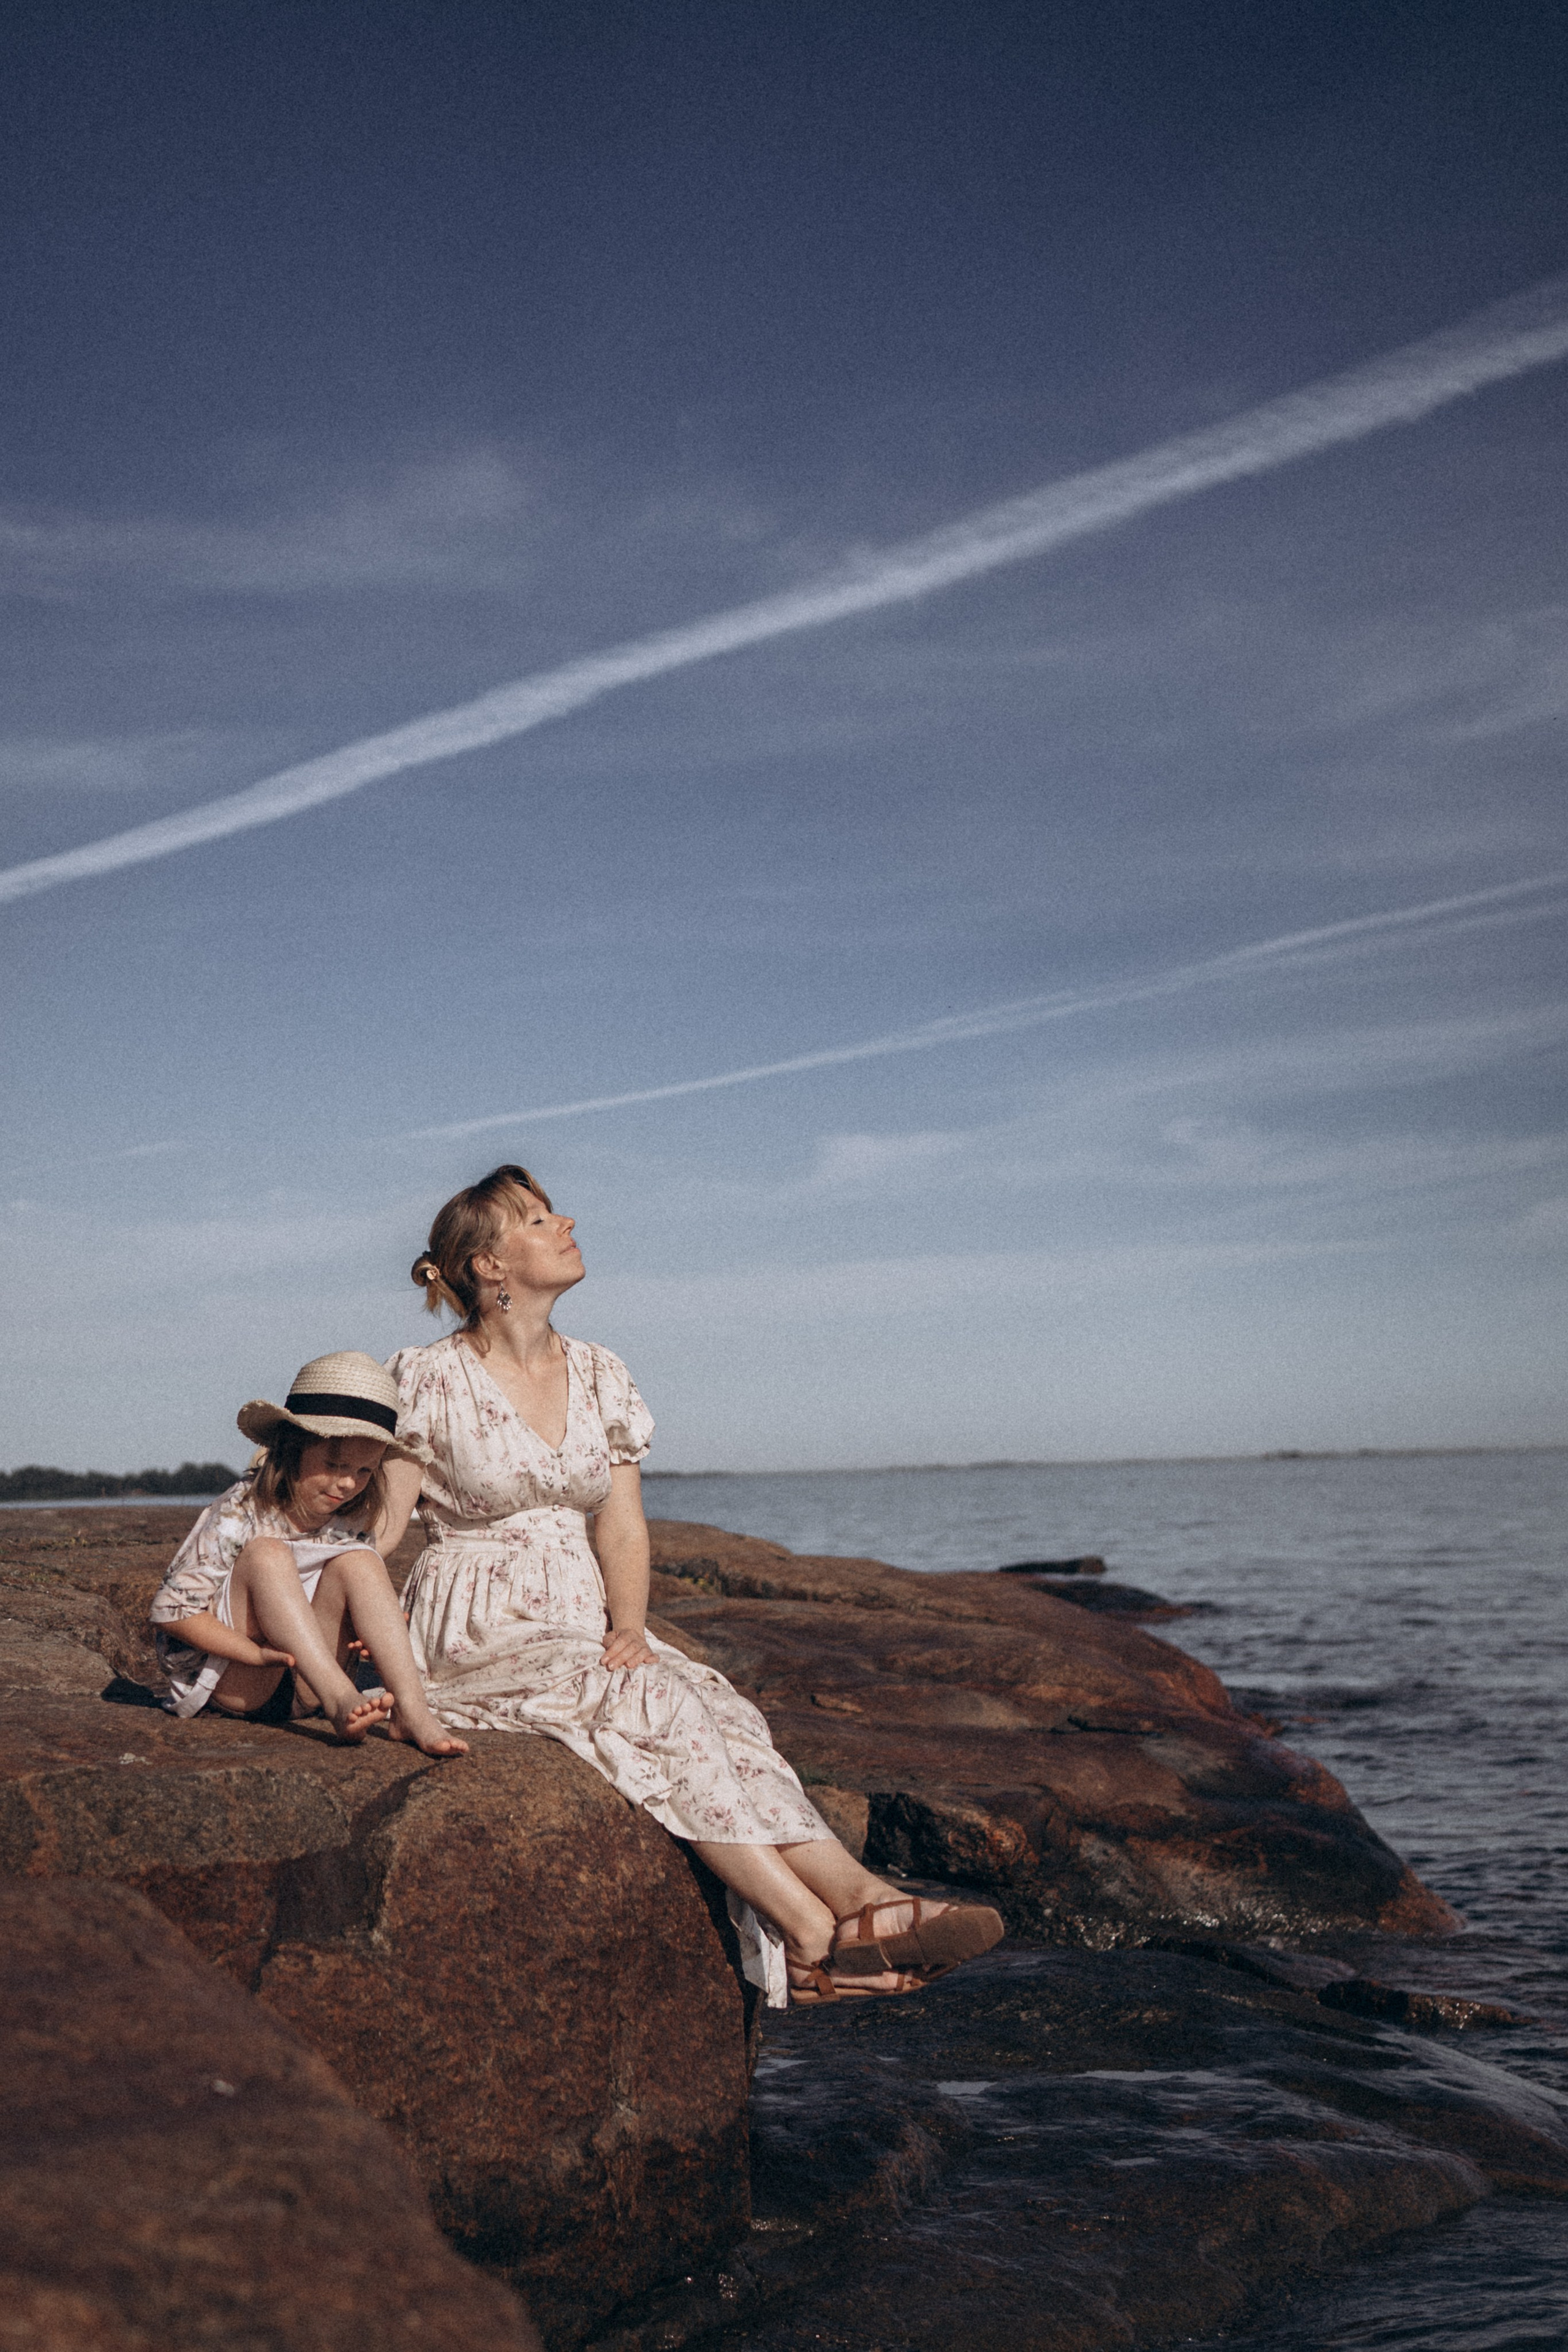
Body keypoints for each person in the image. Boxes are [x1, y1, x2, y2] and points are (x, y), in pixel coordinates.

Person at [377, 1164, 1002, 2005]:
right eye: (536, 1218)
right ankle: (814, 1937)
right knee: (655, 1710)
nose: (567, 1221)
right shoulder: (426, 1378)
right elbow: (381, 1531)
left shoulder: (600, 1371)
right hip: (475, 1621)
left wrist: (629, 1626)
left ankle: (867, 1901)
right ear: (489, 1266)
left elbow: (621, 1523)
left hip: (580, 1613)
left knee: (713, 1703)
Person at [149, 1350, 468, 1758]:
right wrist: (255, 1654)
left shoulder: (349, 1520)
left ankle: (412, 1710)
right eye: (334, 1464)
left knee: (361, 1560)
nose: (348, 1483)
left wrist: (368, 1630)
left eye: (365, 1471)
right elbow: (172, 1611)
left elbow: (354, 1595)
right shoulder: (240, 1512)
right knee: (267, 1554)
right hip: (240, 1682)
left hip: (307, 1687)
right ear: (292, 1448)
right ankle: (340, 1699)